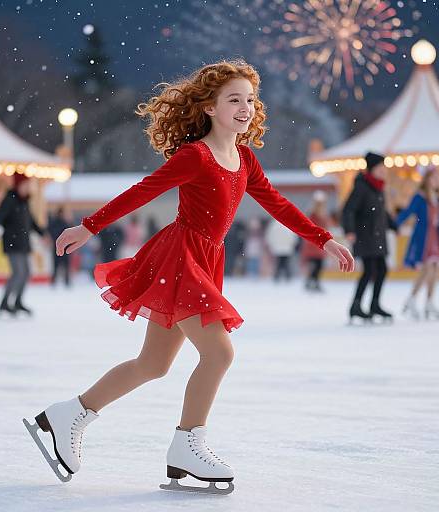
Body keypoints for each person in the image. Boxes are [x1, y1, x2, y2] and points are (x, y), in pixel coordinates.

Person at [23, 60, 354, 493]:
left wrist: (322, 238)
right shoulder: (196, 155)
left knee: (153, 364)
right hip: (181, 258)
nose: (245, 108)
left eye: (250, 100)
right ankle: (187, 444)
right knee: (219, 354)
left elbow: (277, 203)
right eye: (233, 99)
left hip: (205, 261)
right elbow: (144, 190)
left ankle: (69, 415)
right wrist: (89, 226)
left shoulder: (245, 158)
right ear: (210, 108)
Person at [396, 166, 439, 320]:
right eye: (433, 177)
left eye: (438, 178)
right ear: (426, 179)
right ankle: (412, 299)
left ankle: (429, 302)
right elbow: (408, 212)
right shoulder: (420, 197)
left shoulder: (437, 198)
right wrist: (393, 224)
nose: (436, 181)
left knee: (435, 270)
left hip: (436, 237)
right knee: (427, 270)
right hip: (424, 239)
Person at [342, 152, 395, 323]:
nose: (383, 171)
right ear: (372, 169)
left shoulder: (377, 187)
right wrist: (349, 230)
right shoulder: (362, 187)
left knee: (382, 270)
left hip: (377, 236)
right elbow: (348, 209)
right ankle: (356, 306)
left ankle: (374, 304)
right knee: (370, 271)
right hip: (365, 235)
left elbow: (381, 212)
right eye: (380, 168)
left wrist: (394, 224)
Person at [0, 173, 45, 316]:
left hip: (23, 242)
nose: (28, 188)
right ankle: (5, 302)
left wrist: (43, 233)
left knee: (26, 272)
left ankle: (17, 301)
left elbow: (31, 221)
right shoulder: (10, 200)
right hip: (12, 243)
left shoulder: (24, 201)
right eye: (25, 185)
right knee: (18, 273)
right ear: (18, 185)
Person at [301, 190, 330, 292]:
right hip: (314, 243)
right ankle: (312, 282)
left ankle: (313, 282)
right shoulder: (313, 214)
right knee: (315, 265)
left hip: (319, 243)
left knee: (318, 265)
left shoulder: (322, 214)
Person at [265, 217, 296, 281]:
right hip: (287, 247)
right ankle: (287, 276)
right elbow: (293, 236)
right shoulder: (288, 223)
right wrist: (292, 244)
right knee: (285, 263)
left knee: (279, 263)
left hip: (277, 247)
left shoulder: (273, 224)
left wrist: (271, 245)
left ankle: (277, 276)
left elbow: (269, 235)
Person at [48, 206, 71, 286]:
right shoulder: (57, 222)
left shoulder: (63, 222)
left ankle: (66, 280)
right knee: (57, 265)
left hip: (63, 246)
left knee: (64, 265)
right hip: (59, 246)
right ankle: (55, 281)